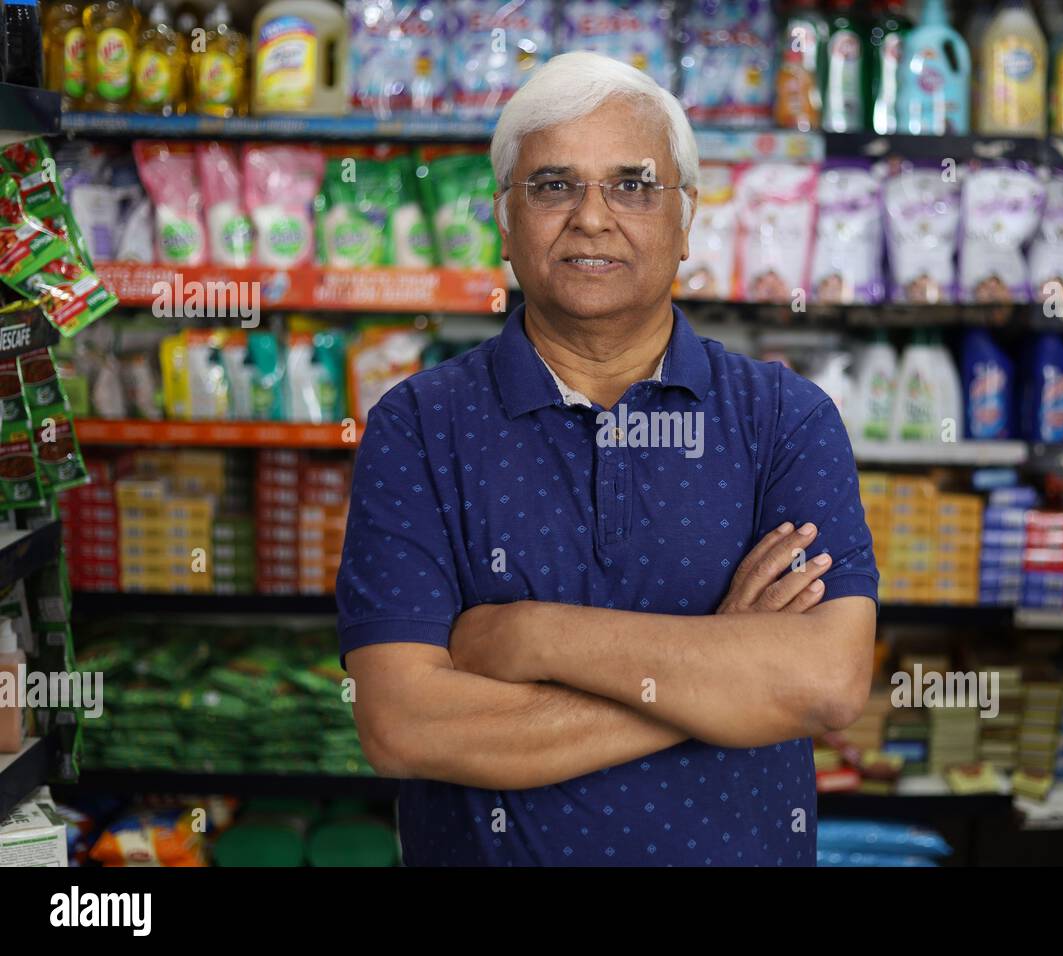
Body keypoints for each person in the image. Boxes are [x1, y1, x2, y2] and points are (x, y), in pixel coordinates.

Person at [338, 51, 880, 866]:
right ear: (504, 218)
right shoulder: (418, 425)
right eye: (553, 185)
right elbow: (403, 726)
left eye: (633, 185)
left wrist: (532, 636)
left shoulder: (785, 420)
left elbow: (826, 684)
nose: (592, 216)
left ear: (686, 217)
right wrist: (720, 672)